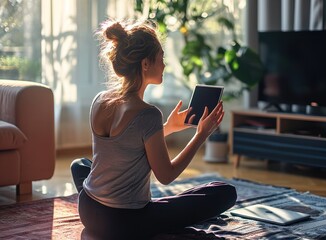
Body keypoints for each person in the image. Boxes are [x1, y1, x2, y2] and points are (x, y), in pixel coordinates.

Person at [70, 19, 237, 239]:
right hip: (125, 222)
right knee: (223, 192)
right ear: (145, 64)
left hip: (88, 208)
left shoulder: (100, 100)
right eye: (161, 58)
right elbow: (166, 175)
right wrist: (200, 135)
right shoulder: (147, 114)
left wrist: (168, 127)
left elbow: (126, 144)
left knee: (80, 165)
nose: (164, 65)